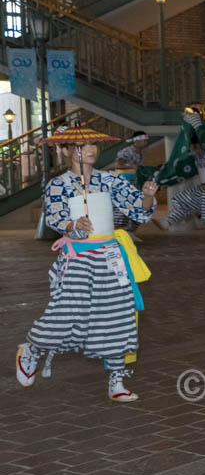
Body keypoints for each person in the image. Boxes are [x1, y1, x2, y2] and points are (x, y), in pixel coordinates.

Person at [16, 136, 158, 401]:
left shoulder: (111, 180)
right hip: (78, 257)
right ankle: (32, 349)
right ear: (68, 151)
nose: (90, 150)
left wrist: (148, 197)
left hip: (111, 256)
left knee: (119, 315)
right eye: (82, 146)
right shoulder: (57, 185)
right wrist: (74, 226)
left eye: (93, 145)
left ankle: (117, 380)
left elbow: (138, 210)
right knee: (66, 313)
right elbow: (58, 218)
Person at [158, 138, 205, 245]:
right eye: (194, 147)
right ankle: (168, 221)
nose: (197, 150)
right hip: (203, 189)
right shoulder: (195, 158)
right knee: (182, 200)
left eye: (199, 147)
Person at [111, 131, 152, 232]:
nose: (146, 142)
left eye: (147, 140)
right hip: (124, 182)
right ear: (137, 140)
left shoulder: (140, 152)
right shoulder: (127, 151)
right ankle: (119, 233)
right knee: (122, 208)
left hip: (134, 182)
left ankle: (130, 232)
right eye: (144, 140)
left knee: (137, 206)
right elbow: (117, 165)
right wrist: (132, 167)